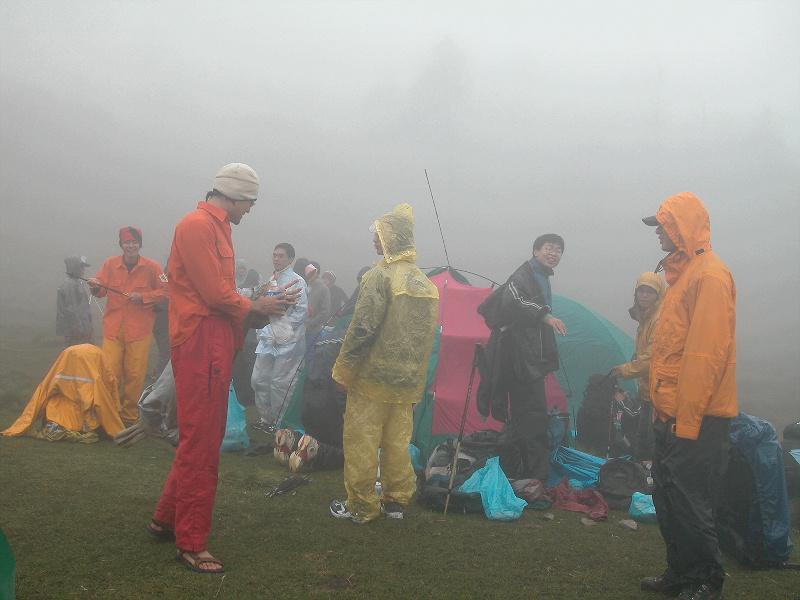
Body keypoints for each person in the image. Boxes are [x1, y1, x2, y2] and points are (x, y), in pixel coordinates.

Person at [149, 163, 298, 574]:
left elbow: (220, 293)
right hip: (201, 340)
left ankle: (165, 518)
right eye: (250, 202)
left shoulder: (219, 228)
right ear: (235, 194)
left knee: (200, 435)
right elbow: (215, 295)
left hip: (214, 338)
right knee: (203, 439)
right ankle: (192, 542)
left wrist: (259, 305)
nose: (250, 210)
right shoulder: (197, 226)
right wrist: (255, 306)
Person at [639, 193, 737, 600]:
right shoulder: (682, 277)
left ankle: (706, 580)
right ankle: (679, 573)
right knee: (668, 497)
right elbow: (669, 351)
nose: (659, 234)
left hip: (697, 417)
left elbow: (704, 356)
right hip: (672, 413)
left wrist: (687, 420)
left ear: (682, 227)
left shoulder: (709, 276)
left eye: (663, 226)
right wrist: (663, 411)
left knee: (691, 501)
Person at [329, 203, 439, 524]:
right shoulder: (424, 282)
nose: (375, 240)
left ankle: (361, 505)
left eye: (380, 234)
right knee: (397, 441)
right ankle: (396, 501)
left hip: (371, 378)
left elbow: (363, 328)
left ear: (394, 238)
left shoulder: (379, 276)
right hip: (405, 381)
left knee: (362, 440)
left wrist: (344, 370)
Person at [476, 234, 567, 481]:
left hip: (528, 359)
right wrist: (545, 316)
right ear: (536, 251)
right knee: (533, 417)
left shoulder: (541, 277)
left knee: (524, 418)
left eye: (558, 250)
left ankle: (518, 472)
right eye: (549, 248)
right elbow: (513, 300)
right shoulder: (523, 275)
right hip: (521, 360)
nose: (554, 253)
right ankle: (534, 478)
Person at [87, 228, 167, 425]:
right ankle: (108, 413)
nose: (130, 246)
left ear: (140, 244)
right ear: (121, 245)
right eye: (127, 242)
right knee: (109, 373)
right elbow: (101, 290)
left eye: (134, 242)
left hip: (140, 331)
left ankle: (129, 416)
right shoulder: (110, 264)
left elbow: (167, 290)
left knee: (135, 375)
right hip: (113, 329)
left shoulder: (153, 267)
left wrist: (144, 297)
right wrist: (95, 286)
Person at [251, 243, 308, 434]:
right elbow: (262, 309)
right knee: (259, 379)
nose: (276, 259)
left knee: (280, 383)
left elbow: (300, 313)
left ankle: (280, 423)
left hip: (288, 342)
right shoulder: (271, 280)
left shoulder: (298, 281)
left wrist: (280, 332)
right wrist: (262, 331)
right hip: (267, 339)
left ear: (290, 259)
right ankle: (265, 418)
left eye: (281, 256)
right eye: (274, 255)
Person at [612, 272, 666, 460]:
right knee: (642, 439)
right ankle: (642, 469)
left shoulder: (659, 320)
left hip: (659, 392)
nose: (644, 295)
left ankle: (649, 473)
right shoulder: (645, 318)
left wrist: (624, 370)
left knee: (651, 441)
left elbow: (652, 359)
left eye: (650, 292)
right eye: (641, 291)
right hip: (647, 391)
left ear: (658, 295)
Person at [57, 255, 93, 346]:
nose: (83, 270)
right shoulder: (70, 285)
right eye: (81, 267)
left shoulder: (77, 283)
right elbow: (72, 311)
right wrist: (80, 331)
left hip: (81, 332)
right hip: (76, 334)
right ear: (74, 268)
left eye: (83, 267)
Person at [305, 261, 331, 345]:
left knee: (310, 351)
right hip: (300, 330)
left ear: (317, 272)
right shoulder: (305, 285)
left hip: (314, 330)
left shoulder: (323, 288)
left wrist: (311, 322)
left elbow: (325, 311)